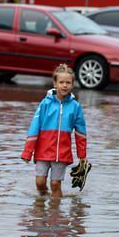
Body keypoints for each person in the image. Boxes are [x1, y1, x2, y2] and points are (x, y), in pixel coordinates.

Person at [21, 64, 88, 197]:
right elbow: (34, 127)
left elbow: (80, 133)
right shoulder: (45, 104)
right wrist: (28, 152)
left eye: (68, 82)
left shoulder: (76, 107)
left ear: (73, 84)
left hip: (62, 153)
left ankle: (55, 214)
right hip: (43, 151)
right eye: (61, 82)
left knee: (55, 184)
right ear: (55, 83)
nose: (64, 85)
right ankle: (42, 205)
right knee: (40, 182)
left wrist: (82, 155)